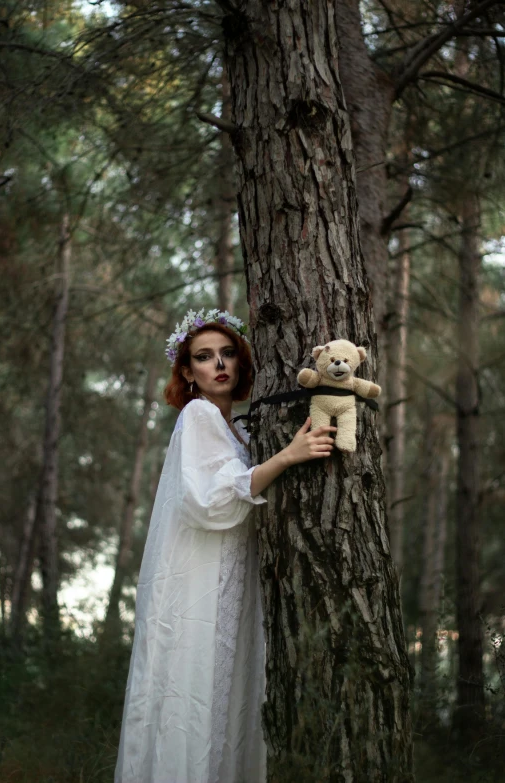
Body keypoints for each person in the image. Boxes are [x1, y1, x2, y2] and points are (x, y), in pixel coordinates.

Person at [114, 309, 336, 783]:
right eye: (204, 356)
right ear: (188, 372)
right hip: (199, 578)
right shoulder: (196, 415)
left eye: (228, 352)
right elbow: (206, 500)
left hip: (231, 578)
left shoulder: (240, 428)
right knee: (193, 692)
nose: (219, 363)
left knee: (228, 697)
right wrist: (289, 455)